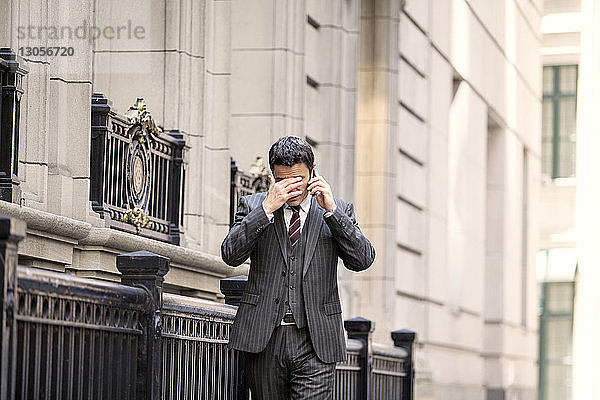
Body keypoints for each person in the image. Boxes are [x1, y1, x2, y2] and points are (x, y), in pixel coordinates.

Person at [221, 136, 375, 399]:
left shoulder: (337, 209)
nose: (291, 188)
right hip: (265, 339)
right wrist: (268, 208)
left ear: (313, 173)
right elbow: (230, 254)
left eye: (298, 179)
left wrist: (332, 212)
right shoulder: (253, 206)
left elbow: (362, 259)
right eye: (282, 180)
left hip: (316, 341)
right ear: (272, 176)